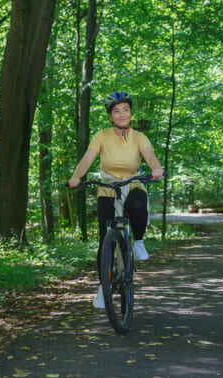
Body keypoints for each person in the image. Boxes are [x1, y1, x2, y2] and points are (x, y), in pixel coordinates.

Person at [69, 91, 164, 308]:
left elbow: (149, 155)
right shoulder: (101, 136)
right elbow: (87, 159)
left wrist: (156, 167)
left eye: (125, 110)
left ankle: (138, 242)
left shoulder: (140, 137)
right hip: (108, 187)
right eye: (116, 111)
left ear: (131, 113)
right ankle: (104, 288)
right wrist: (76, 177)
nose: (121, 114)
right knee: (104, 240)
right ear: (111, 116)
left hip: (132, 183)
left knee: (139, 203)